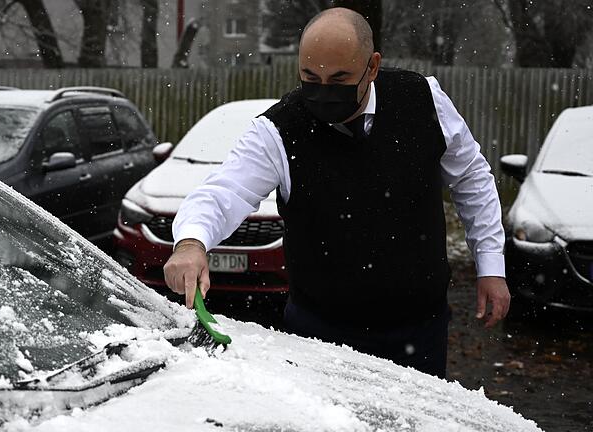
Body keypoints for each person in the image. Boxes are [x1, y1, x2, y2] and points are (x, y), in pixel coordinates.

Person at [163, 7, 510, 379]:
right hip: (319, 337)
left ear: (372, 67)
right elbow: (223, 191)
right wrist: (191, 244)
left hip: (419, 330)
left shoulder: (423, 100)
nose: (323, 91)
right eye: (310, 77)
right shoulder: (279, 130)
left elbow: (472, 178)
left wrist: (490, 263)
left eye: (340, 78)